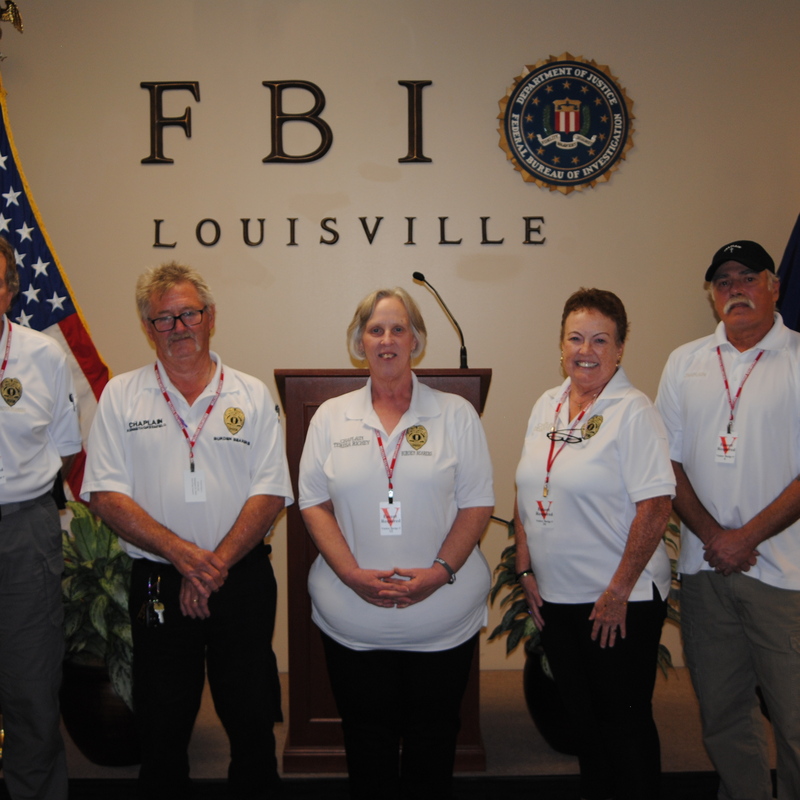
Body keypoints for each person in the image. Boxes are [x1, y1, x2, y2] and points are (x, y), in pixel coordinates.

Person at [81, 261, 293, 800]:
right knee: (162, 726)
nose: (178, 328)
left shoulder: (250, 394)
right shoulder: (121, 398)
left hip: (240, 580)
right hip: (157, 583)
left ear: (211, 318)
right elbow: (106, 494)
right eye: (163, 319)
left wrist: (212, 563)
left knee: (250, 723)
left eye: (188, 315)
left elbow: (269, 493)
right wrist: (184, 557)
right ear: (147, 328)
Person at [298, 287, 494, 800]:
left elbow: (477, 505)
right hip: (354, 620)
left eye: (398, 328)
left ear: (417, 340)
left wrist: (438, 573)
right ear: (359, 342)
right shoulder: (330, 417)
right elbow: (313, 504)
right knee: (367, 742)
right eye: (375, 329)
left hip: (442, 617)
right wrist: (350, 575)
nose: (387, 340)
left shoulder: (455, 415)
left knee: (434, 741)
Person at [515, 288, 674, 800]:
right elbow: (527, 486)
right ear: (561, 345)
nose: (586, 350)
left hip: (616, 605)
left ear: (621, 348)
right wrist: (524, 568)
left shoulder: (634, 411)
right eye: (576, 338)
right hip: (558, 602)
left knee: (623, 732)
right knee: (586, 730)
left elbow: (655, 507)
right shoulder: (548, 404)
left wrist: (617, 591)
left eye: (600, 339)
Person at [656, 240, 800, 800]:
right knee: (722, 717)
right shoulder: (685, 361)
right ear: (713, 296)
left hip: (784, 575)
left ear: (774, 285)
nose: (735, 289)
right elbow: (666, 461)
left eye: (747, 277)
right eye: (723, 282)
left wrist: (746, 537)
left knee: (793, 722)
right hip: (704, 570)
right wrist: (717, 538)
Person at [0, 236, 81, 800]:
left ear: (9, 290)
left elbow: (66, 447)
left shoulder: (42, 355)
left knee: (30, 688)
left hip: (22, 530)